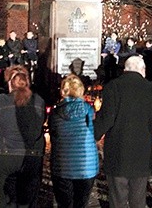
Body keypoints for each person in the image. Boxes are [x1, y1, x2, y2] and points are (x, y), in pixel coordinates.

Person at [94, 55, 152, 207]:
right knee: (138, 199)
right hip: (141, 155)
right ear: (143, 70)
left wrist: (94, 134)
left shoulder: (112, 87)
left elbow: (106, 119)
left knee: (117, 200)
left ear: (125, 70)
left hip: (117, 153)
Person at [0, 65, 46, 207]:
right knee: (28, 201)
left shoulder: (0, 102)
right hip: (32, 155)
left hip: (7, 154)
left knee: (8, 201)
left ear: (10, 83)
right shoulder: (38, 101)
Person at [49, 74, 99, 208]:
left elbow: (54, 136)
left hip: (63, 164)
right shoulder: (89, 111)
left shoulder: (55, 114)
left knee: (64, 204)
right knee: (81, 204)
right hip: (86, 165)